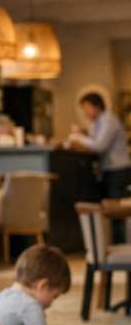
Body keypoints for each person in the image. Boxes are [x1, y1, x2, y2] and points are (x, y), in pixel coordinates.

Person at [67, 92, 131, 243]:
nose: (85, 113)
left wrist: (78, 137)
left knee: (117, 212)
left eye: (87, 108)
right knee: (110, 212)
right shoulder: (97, 122)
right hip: (110, 171)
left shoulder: (108, 119)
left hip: (118, 171)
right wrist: (82, 134)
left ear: (97, 107)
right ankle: (116, 252)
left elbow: (100, 145)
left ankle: (122, 253)